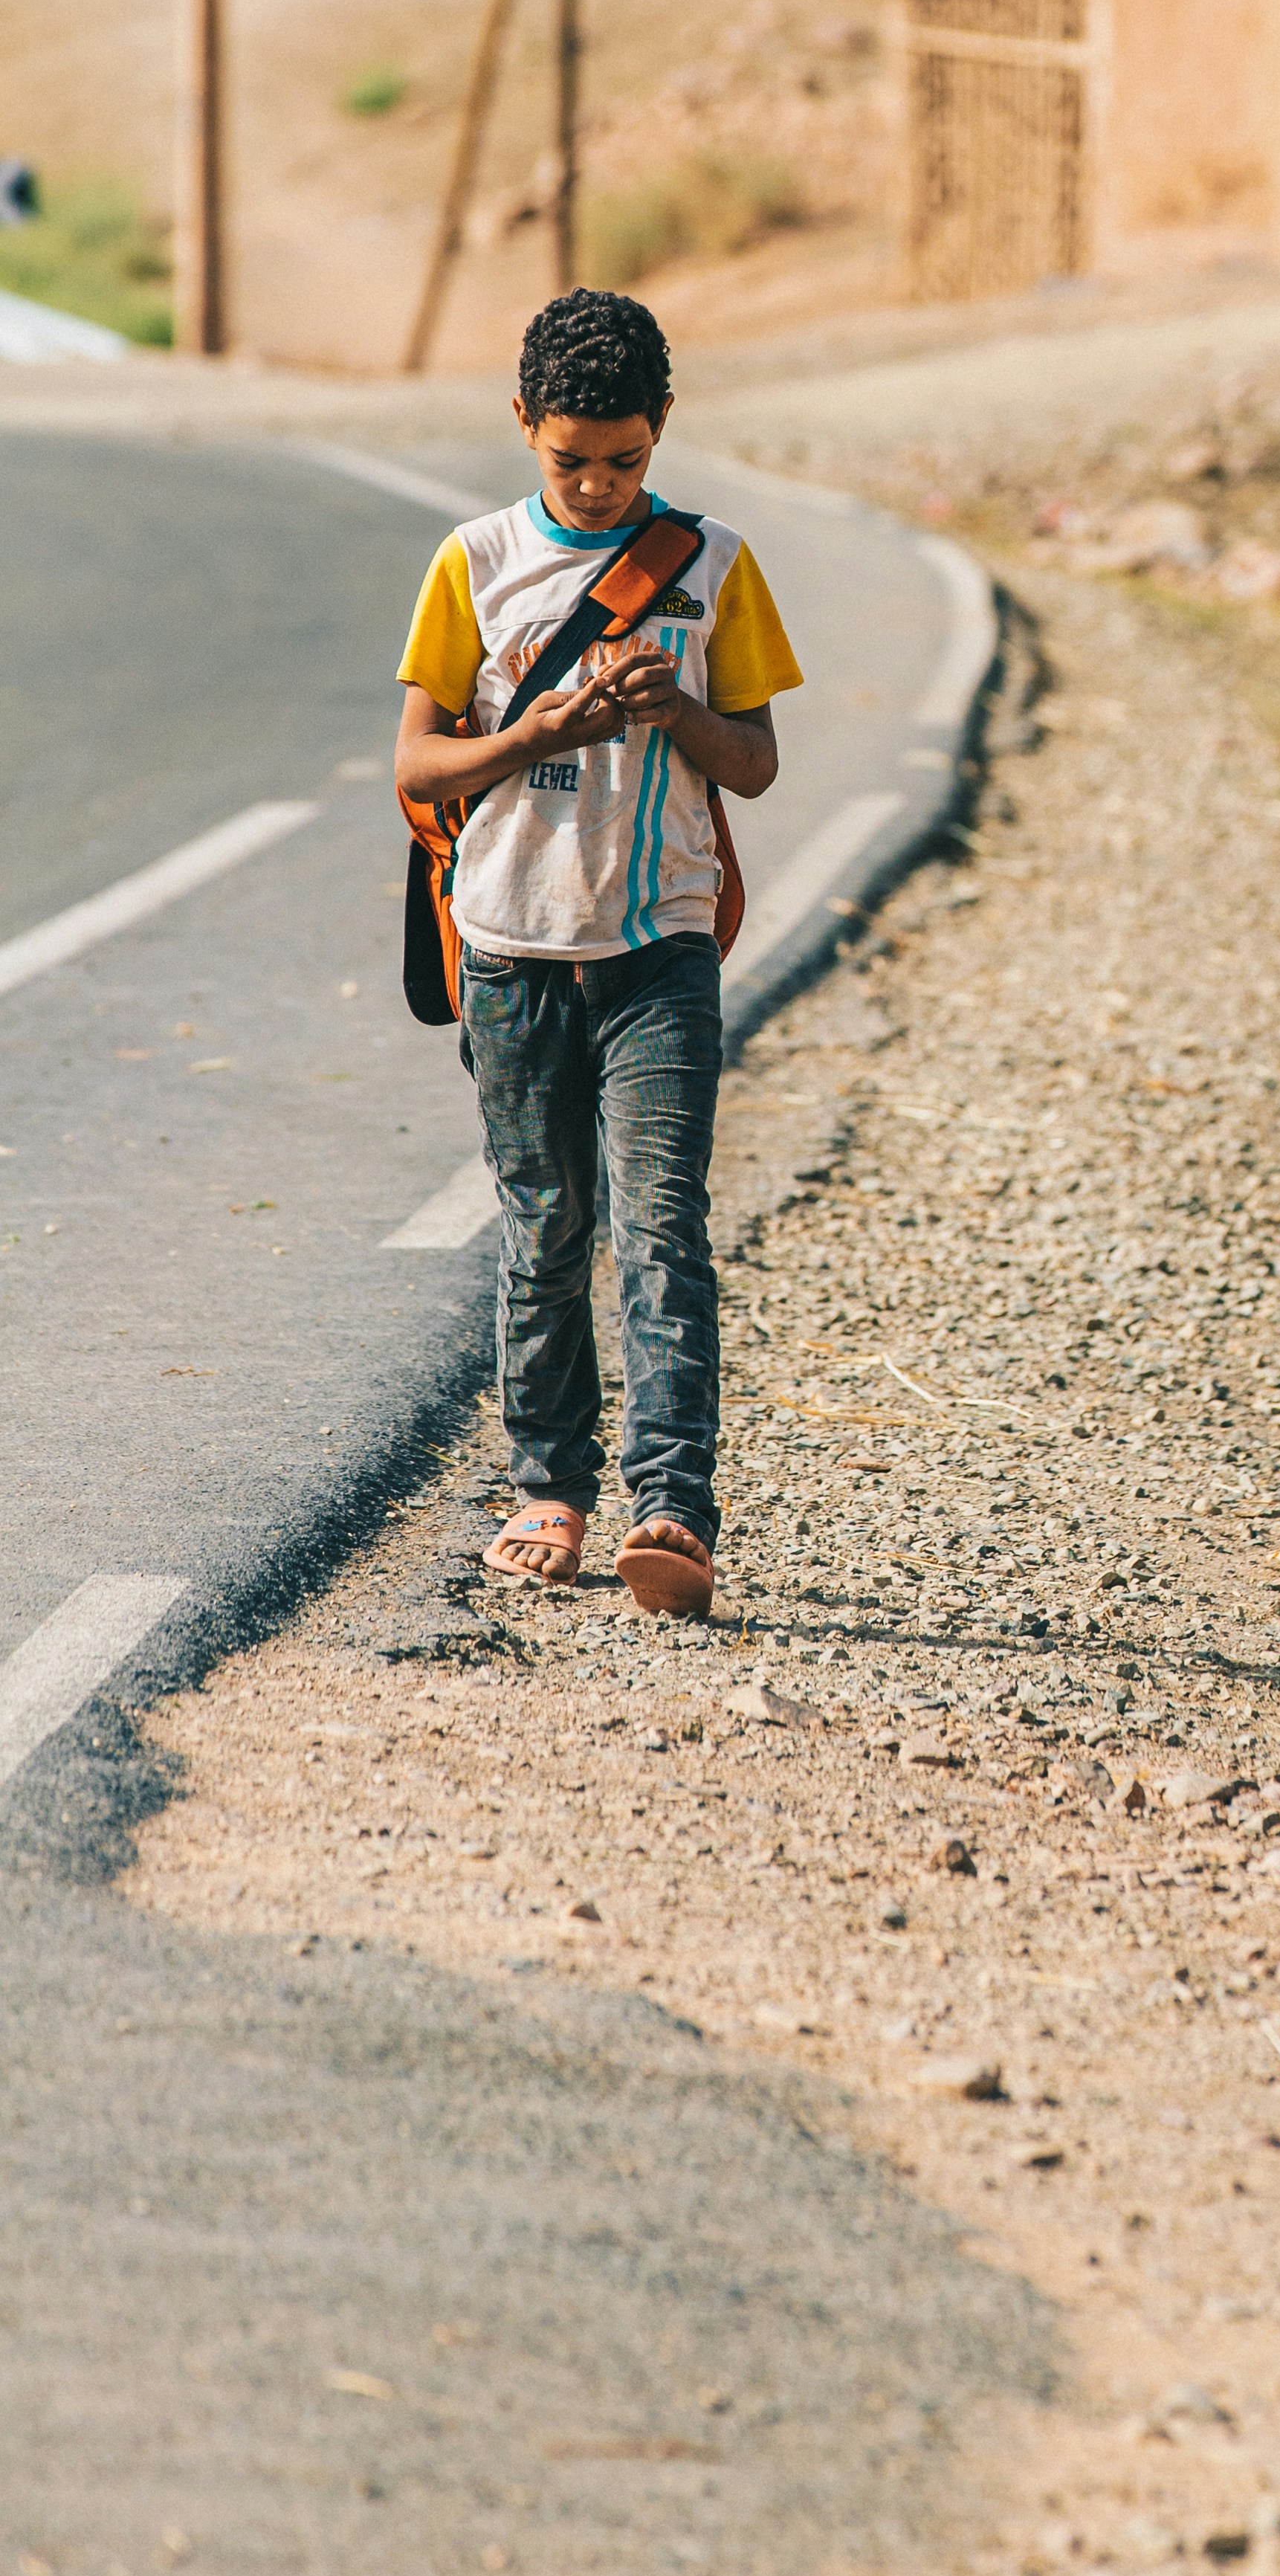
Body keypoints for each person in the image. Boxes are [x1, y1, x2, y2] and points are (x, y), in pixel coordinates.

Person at [392, 289, 801, 1620]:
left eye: (626, 459)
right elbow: (417, 761)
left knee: (664, 1224)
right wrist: (533, 733)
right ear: (524, 427)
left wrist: (674, 702)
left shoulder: (715, 565)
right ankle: (549, 1491)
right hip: (510, 952)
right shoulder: (474, 562)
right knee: (546, 1228)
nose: (602, 482)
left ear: (662, 430)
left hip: (660, 951)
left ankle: (673, 1507)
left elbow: (758, 764)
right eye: (574, 459)